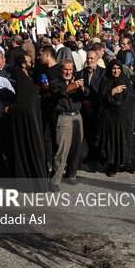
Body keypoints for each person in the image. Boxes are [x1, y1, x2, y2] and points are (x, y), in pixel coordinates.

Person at [8, 55, 48, 191]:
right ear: (24, 65)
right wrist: (12, 108)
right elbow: (23, 102)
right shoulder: (19, 75)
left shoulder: (25, 76)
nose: (32, 62)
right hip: (27, 121)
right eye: (30, 61)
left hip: (29, 120)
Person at [49, 59, 85, 191]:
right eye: (66, 69)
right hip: (63, 117)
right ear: (60, 70)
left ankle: (71, 175)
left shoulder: (75, 81)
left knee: (76, 149)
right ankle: (54, 181)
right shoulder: (55, 84)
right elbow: (56, 95)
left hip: (77, 116)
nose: (68, 72)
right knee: (61, 151)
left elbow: (86, 94)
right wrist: (70, 87)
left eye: (70, 69)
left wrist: (81, 87)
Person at [96, 59, 135, 176]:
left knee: (126, 140)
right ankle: (113, 165)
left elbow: (131, 97)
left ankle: (128, 163)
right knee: (112, 141)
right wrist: (112, 92)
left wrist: (121, 103)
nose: (116, 71)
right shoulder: (105, 80)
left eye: (118, 69)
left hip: (124, 117)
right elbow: (101, 99)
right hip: (110, 117)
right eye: (114, 68)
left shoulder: (124, 80)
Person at [80, 50, 106, 163]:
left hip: (98, 107)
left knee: (99, 133)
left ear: (96, 59)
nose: (89, 60)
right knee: (88, 132)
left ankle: (100, 154)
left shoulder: (103, 72)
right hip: (86, 108)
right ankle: (91, 153)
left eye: (92, 58)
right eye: (88, 58)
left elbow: (102, 91)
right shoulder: (82, 72)